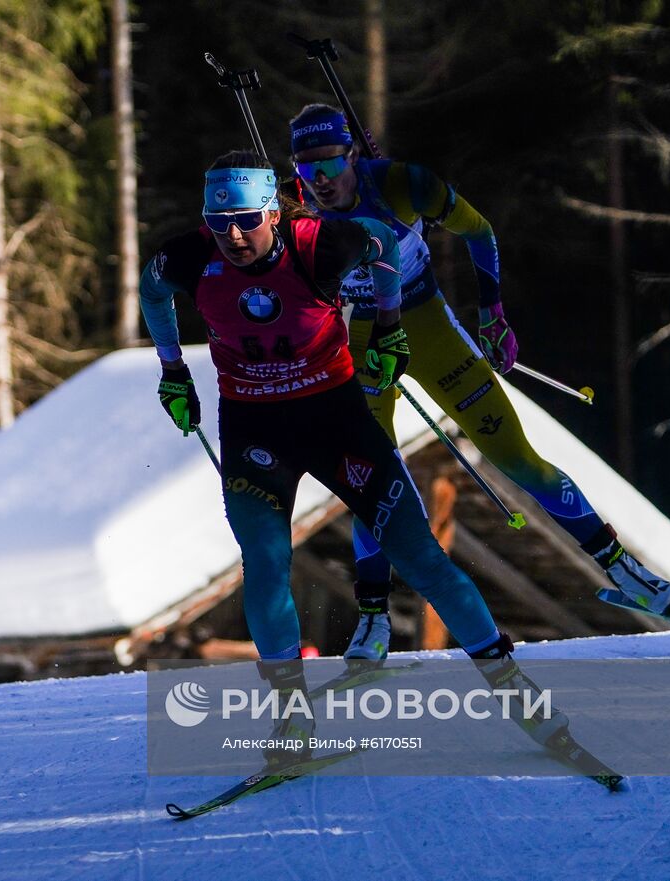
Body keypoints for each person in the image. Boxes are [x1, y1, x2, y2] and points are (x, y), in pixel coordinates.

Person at [139, 149, 518, 765]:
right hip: (256, 435)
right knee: (264, 565)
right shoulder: (189, 257)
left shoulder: (318, 244)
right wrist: (172, 371)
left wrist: (390, 325)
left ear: (271, 211)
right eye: (218, 222)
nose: (232, 235)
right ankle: (291, 721)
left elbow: (385, 243)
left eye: (244, 220)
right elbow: (151, 292)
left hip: (339, 423)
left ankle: (510, 686)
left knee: (419, 556)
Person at [287, 103, 670, 661]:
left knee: (516, 456)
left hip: (425, 323)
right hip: (363, 341)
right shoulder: (294, 213)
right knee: (371, 482)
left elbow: (479, 230)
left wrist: (492, 313)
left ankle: (622, 566)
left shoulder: (402, 183)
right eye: (306, 170)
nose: (319, 181)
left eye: (327, 164)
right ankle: (373, 618)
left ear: (351, 153)